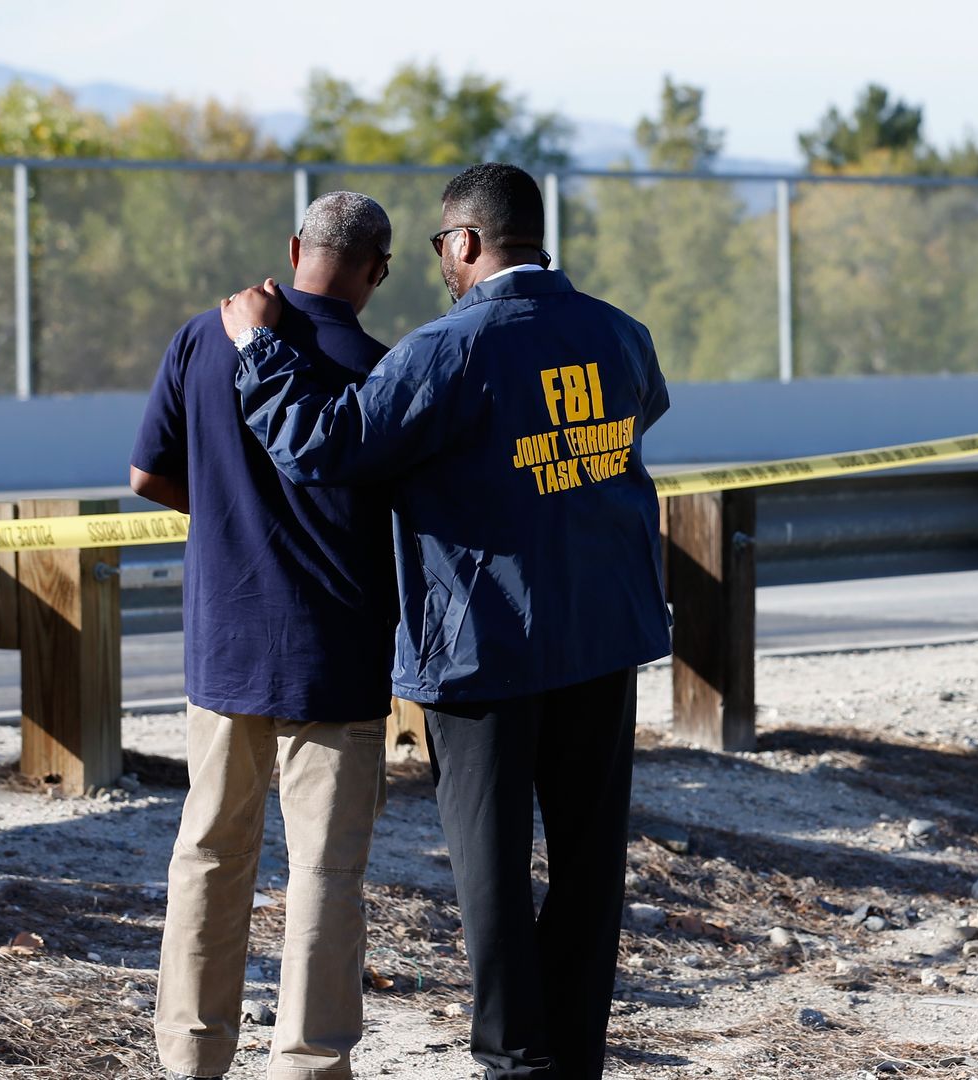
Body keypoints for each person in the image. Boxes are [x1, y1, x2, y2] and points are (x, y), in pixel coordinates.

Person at [220, 162, 672, 1079]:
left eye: (440, 248)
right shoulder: (621, 335)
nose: (441, 267)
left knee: (492, 876)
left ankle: (513, 1061)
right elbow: (635, 417)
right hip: (602, 639)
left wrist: (257, 351)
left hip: (487, 655)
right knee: (590, 868)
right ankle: (572, 1057)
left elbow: (326, 444)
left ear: (465, 242)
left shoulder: (451, 347)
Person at [133, 191, 398, 1080]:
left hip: (224, 649)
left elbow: (147, 475)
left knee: (208, 854)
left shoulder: (200, 338)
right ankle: (309, 1063)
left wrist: (226, 516)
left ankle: (190, 1055)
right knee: (324, 873)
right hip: (340, 654)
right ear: (379, 270)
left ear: (294, 249)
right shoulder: (380, 370)